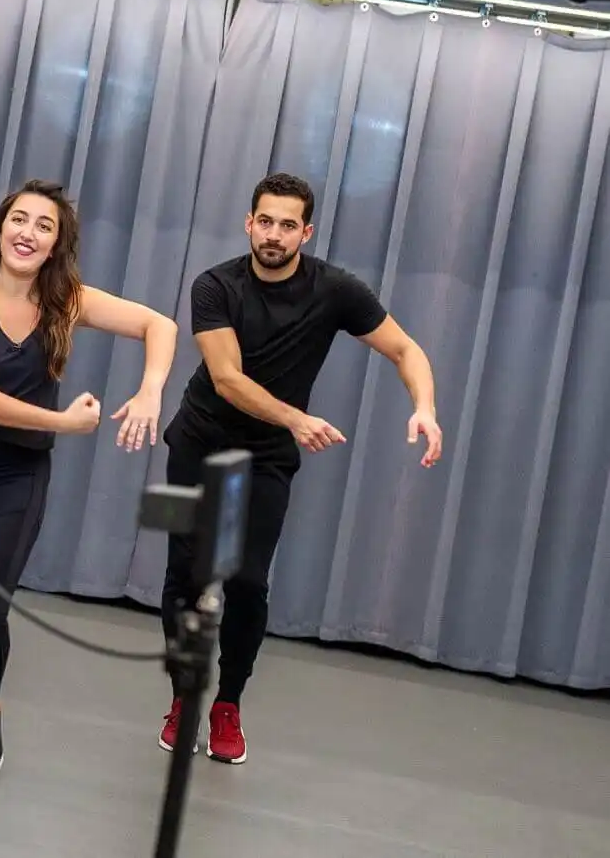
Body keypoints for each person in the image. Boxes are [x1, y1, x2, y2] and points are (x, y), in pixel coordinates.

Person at [0, 178, 178, 783]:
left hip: (15, 474)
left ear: (55, 246)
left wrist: (150, 391)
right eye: (19, 219)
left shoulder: (66, 301)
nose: (28, 232)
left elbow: (161, 326)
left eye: (44, 226)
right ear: (0, 228)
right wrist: (65, 423)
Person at [156, 171, 442, 765]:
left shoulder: (335, 290)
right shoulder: (215, 285)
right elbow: (228, 379)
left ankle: (226, 704)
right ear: (249, 223)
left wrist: (426, 408)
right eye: (266, 221)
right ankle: (183, 696)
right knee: (184, 572)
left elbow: (405, 349)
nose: (275, 235)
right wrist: (297, 419)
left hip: (265, 459)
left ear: (305, 232)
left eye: (288, 225)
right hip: (196, 442)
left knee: (246, 582)